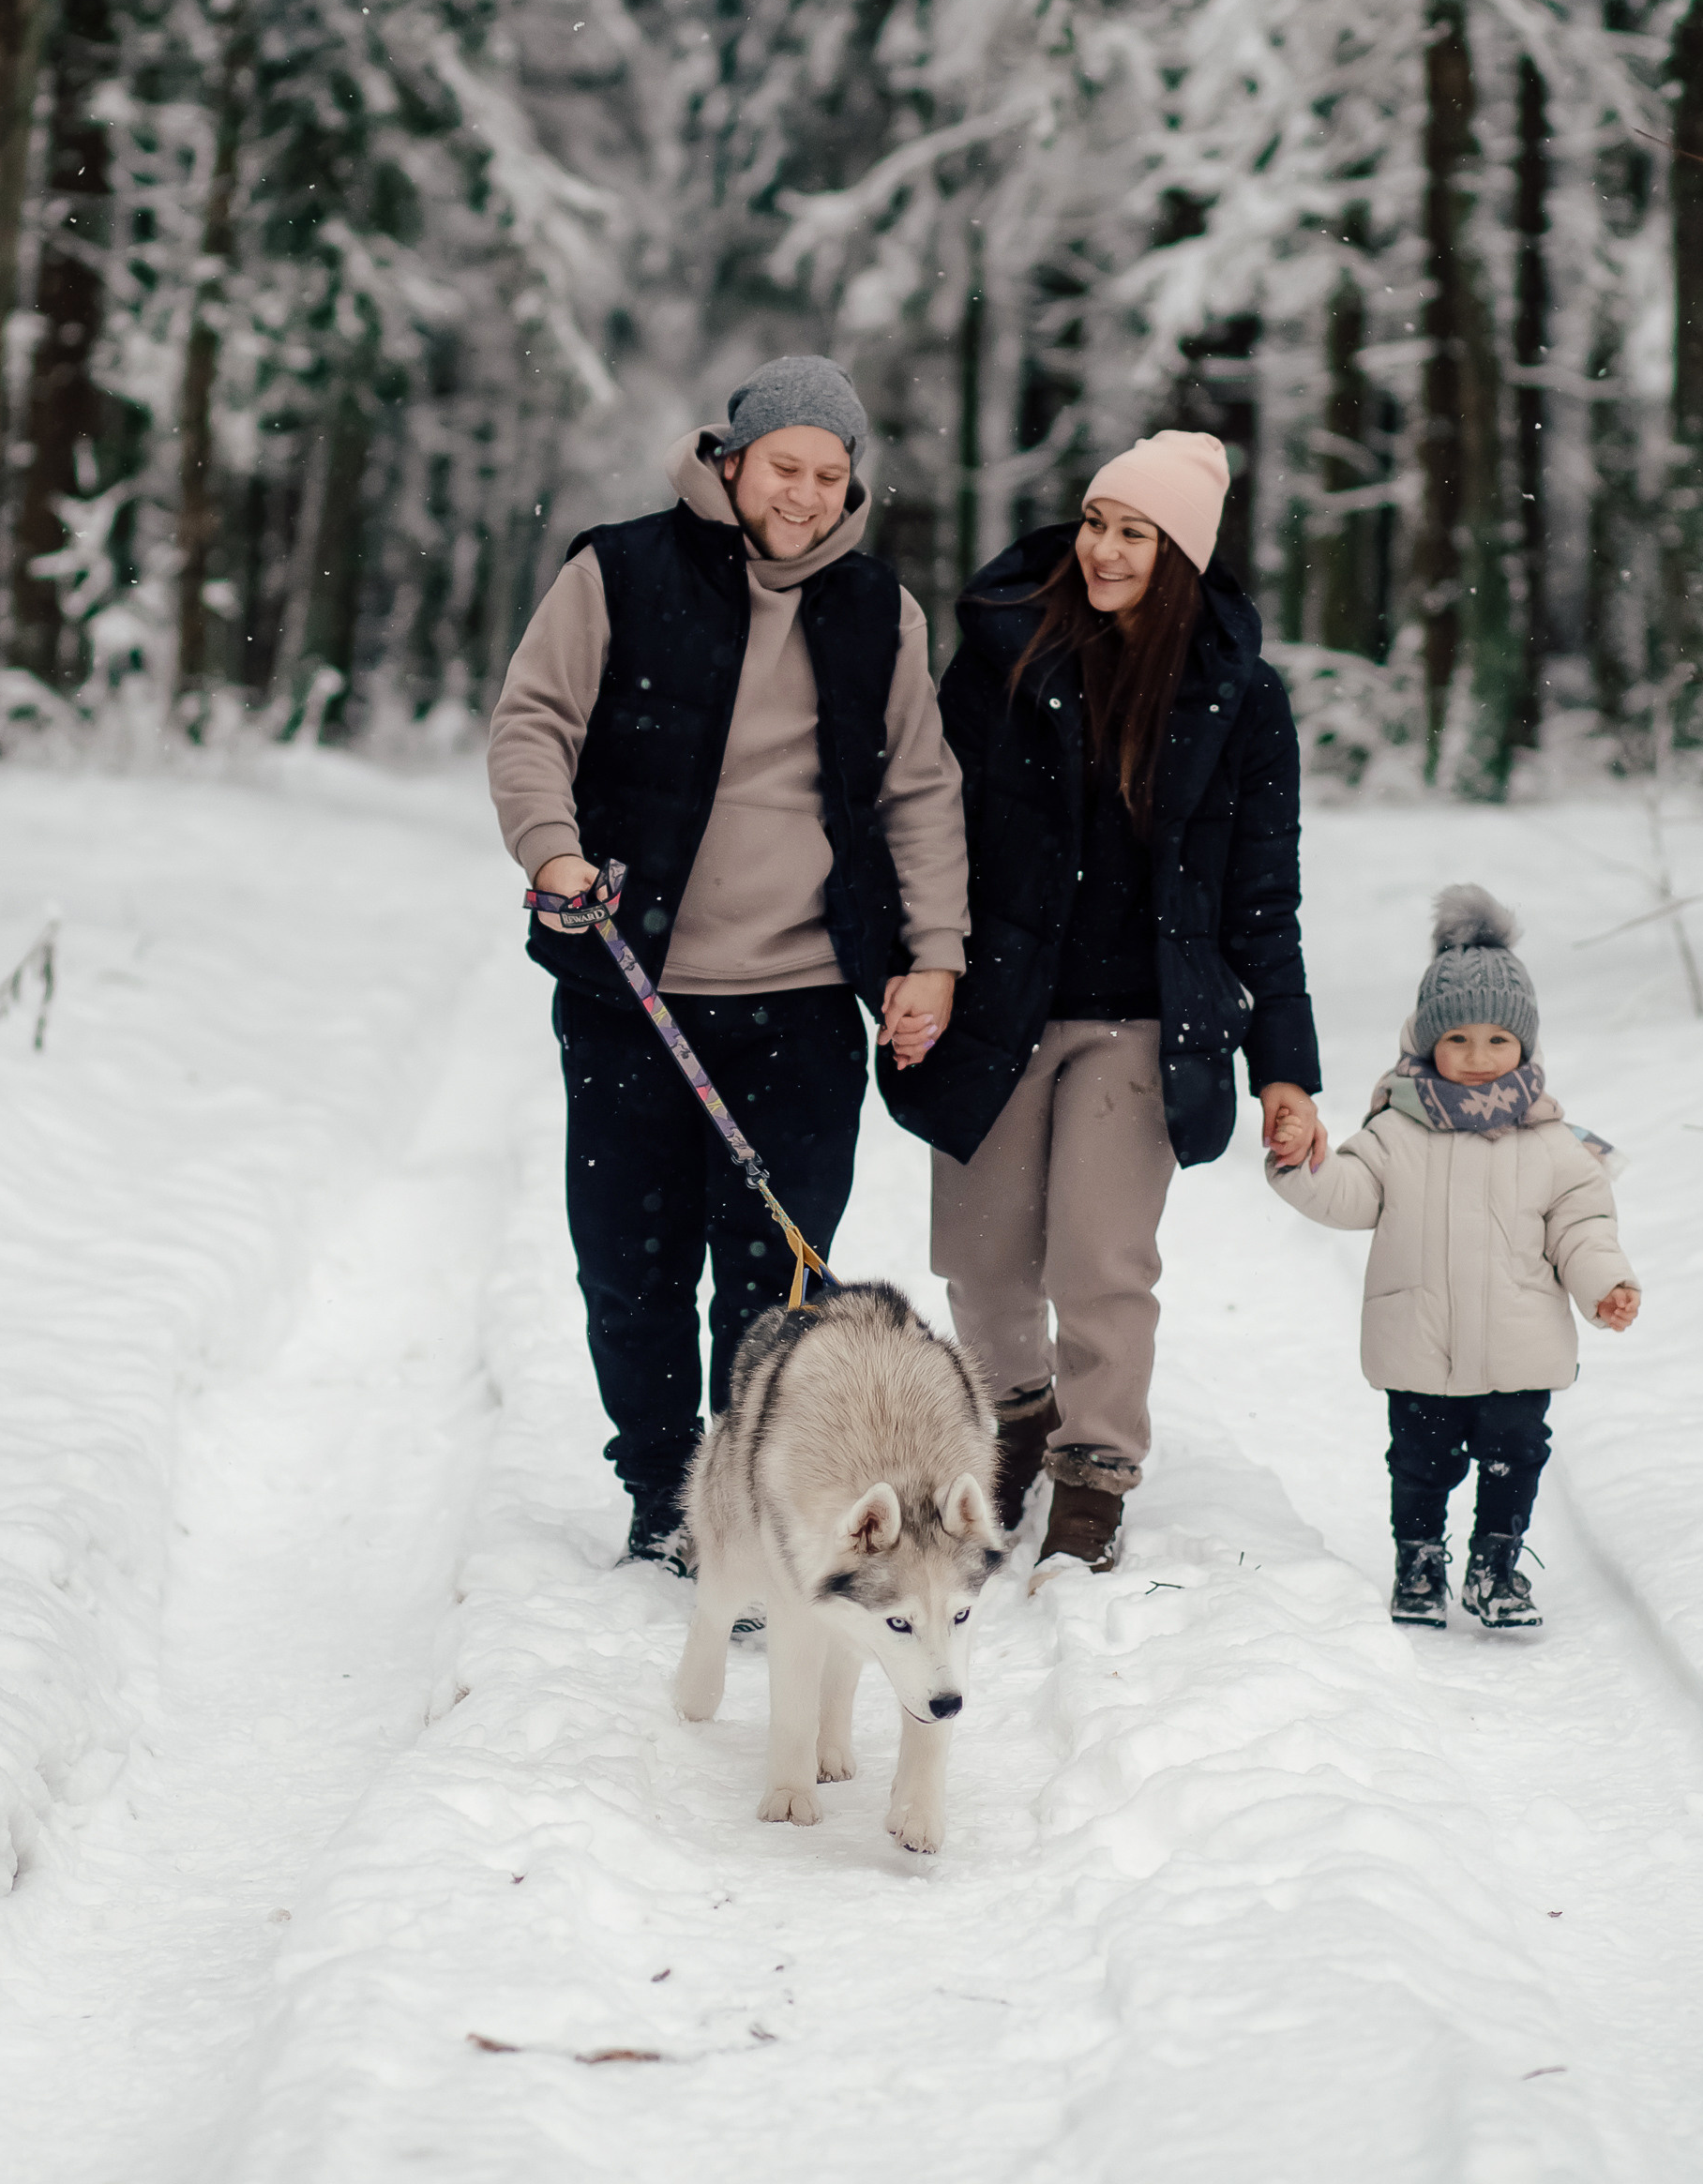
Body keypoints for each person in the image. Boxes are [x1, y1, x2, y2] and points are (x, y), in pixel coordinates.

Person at [488, 355, 969, 1567]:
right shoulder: (621, 571)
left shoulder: (878, 614)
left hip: (803, 1001)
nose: (805, 494)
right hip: (631, 992)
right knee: (632, 1269)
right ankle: (660, 1485)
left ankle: (749, 1502)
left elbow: (920, 790)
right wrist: (553, 857)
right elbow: (532, 722)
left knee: (775, 1288)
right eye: (786, 466)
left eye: (831, 473)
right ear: (732, 457)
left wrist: (935, 955)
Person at [883, 429, 1325, 1580]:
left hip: (1143, 1020)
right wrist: (915, 958)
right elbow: (926, 823)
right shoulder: (1003, 657)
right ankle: (1018, 1418)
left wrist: (1285, 1064)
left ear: (1177, 553)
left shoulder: (1239, 700)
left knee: (1098, 1260)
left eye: (1133, 532)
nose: (1103, 549)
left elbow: (1263, 896)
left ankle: (1093, 1468)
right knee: (979, 1261)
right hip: (998, 1001)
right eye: (1094, 522)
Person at [1266, 886, 1641, 1631]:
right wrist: (1300, 1162)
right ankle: (1419, 1560)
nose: (1478, 1057)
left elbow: (1584, 1227)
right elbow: (1348, 1195)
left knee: (1516, 1456)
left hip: (1518, 1346)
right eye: (1459, 1039)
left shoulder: (1555, 1146)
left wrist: (1607, 1286)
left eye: (1498, 1041)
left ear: (1525, 1047)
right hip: (1421, 1345)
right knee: (1421, 1463)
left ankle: (1496, 1567)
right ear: (1427, 1040)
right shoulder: (1395, 1131)